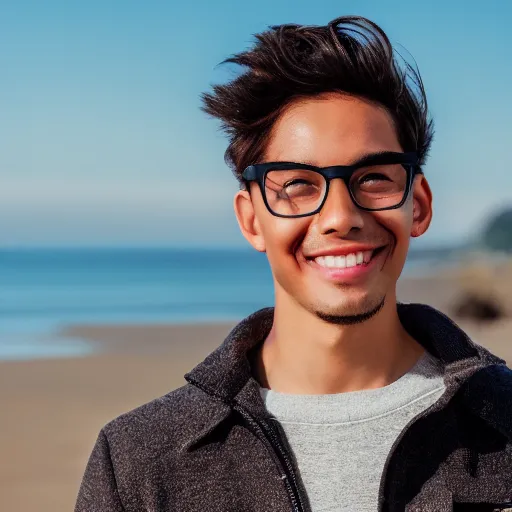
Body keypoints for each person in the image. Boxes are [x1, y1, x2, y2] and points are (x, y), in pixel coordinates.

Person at [75, 15, 512, 512]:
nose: (341, 217)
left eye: (373, 177)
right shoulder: (140, 461)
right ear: (252, 220)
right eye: (298, 183)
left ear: (419, 205)